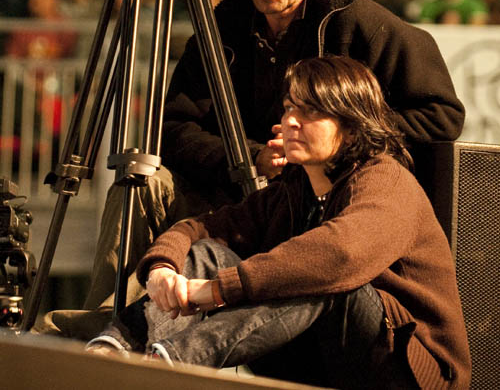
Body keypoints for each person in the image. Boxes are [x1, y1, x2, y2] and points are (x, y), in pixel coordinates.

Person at [40, 0, 464, 339]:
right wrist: (251, 156)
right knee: (139, 183)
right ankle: (108, 321)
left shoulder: (363, 24)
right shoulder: (222, 26)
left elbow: (442, 116)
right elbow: (172, 128)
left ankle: (114, 333)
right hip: (232, 190)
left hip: (317, 202)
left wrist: (333, 142)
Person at [86, 56, 471, 390]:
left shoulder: (386, 179)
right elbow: (201, 228)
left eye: (310, 112)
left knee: (319, 275)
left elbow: (339, 255)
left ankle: (166, 365)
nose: (291, 121)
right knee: (210, 252)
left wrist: (219, 290)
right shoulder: (292, 190)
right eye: (288, 108)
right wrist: (162, 269)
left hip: (407, 368)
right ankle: (110, 351)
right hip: (317, 355)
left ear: (352, 125)